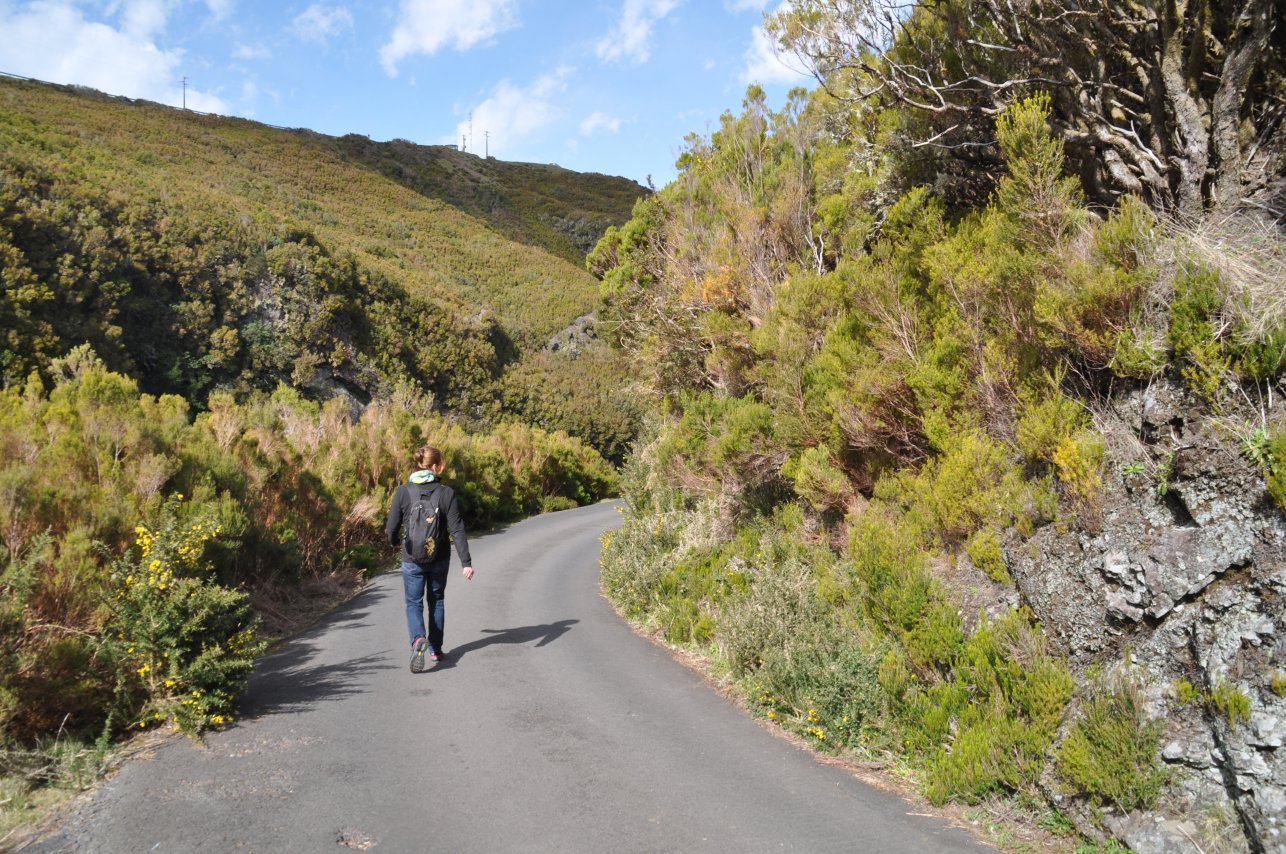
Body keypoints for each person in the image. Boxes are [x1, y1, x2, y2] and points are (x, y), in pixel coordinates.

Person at [385, 445, 474, 673]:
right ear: (436, 466)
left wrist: (395, 542)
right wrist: (466, 563)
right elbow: (457, 530)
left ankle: (417, 640)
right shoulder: (446, 493)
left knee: (413, 603)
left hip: (411, 558)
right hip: (439, 557)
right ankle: (435, 648)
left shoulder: (404, 491)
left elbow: (391, 526)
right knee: (436, 601)